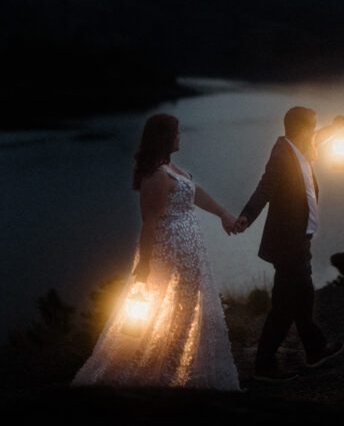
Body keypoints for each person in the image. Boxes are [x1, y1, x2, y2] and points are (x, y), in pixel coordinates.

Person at [70, 113, 242, 390]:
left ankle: (175, 371)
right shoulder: (155, 176)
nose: (179, 137)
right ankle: (160, 375)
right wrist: (143, 267)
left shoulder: (171, 168)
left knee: (186, 310)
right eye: (176, 133)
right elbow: (149, 224)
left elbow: (195, 193)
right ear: (164, 138)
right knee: (171, 309)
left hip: (189, 252)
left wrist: (224, 214)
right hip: (169, 252)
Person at [233, 106, 344, 382]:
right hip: (288, 243)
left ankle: (314, 349)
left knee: (302, 298)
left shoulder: (299, 147)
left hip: (299, 240)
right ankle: (264, 365)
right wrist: (246, 216)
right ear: (301, 129)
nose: (315, 131)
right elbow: (265, 187)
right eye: (313, 126)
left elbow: (320, 136)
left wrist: (336, 126)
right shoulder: (282, 155)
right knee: (286, 306)